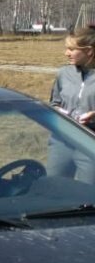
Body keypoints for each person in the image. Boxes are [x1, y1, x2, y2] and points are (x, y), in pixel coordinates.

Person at [48, 25, 95, 181]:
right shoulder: (64, 73)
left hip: (90, 144)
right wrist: (57, 110)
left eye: (71, 49)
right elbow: (54, 102)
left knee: (87, 194)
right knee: (54, 187)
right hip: (61, 141)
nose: (66, 53)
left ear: (89, 51)